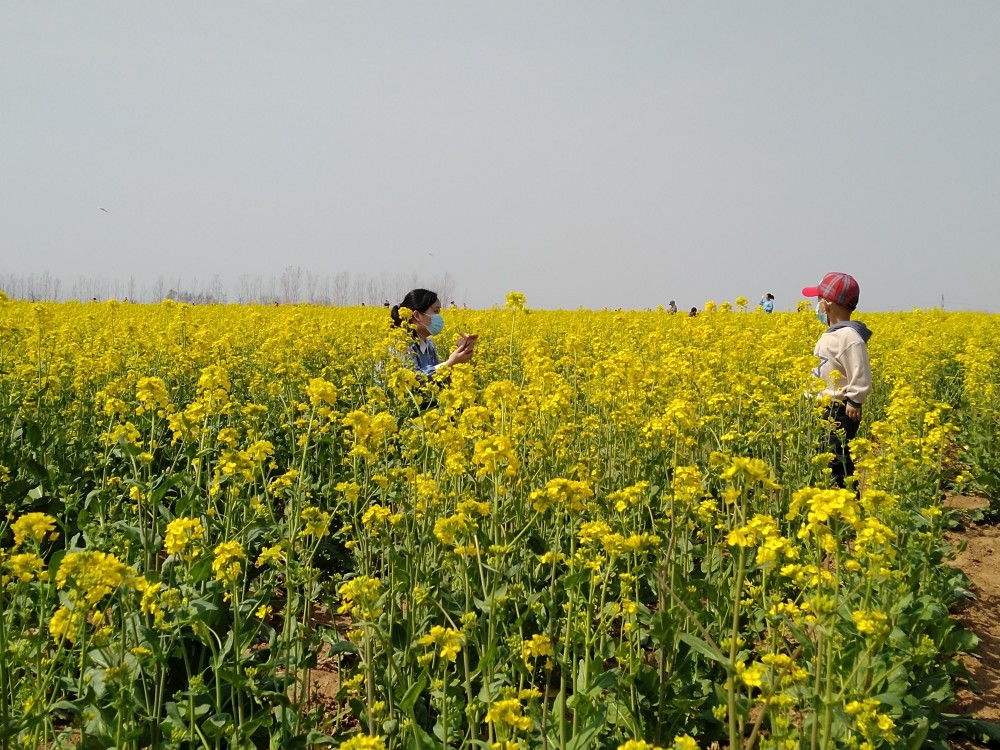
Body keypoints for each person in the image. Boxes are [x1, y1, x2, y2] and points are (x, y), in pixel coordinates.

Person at [801, 272, 872, 488]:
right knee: (826, 456)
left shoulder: (849, 337)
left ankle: (849, 502)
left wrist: (855, 400)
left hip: (840, 409)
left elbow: (859, 372)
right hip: (823, 407)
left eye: (818, 300)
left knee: (838, 461)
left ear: (827, 304)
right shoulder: (831, 334)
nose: (817, 306)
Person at [390, 288, 475, 376]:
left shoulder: (429, 344)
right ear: (417, 316)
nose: (439, 316)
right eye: (436, 311)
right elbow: (411, 379)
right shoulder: (400, 345)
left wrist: (461, 351)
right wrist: (450, 363)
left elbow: (438, 380)